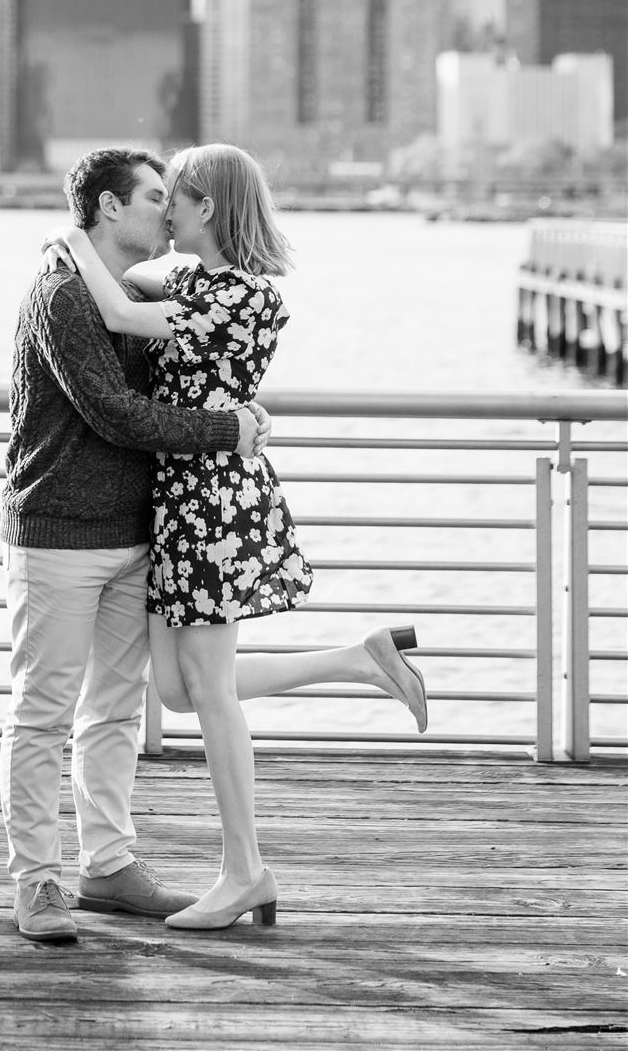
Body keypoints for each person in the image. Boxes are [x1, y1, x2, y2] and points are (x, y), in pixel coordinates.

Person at [59, 141, 428, 932]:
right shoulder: (194, 281)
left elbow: (121, 310)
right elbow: (128, 281)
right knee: (178, 688)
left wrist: (64, 248)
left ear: (210, 209)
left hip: (214, 498)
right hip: (183, 494)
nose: (165, 211)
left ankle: (243, 871)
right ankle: (356, 659)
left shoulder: (245, 297)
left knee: (211, 695)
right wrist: (94, 256)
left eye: (176, 198)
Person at [0, 145, 272, 945]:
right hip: (59, 533)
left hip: (136, 533)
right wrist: (231, 429)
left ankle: (109, 866)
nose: (168, 207)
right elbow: (116, 413)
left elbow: (196, 354)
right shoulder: (62, 297)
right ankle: (38, 884)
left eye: (176, 195)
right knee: (44, 712)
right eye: (156, 195)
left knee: (115, 711)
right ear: (111, 208)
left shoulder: (135, 286)